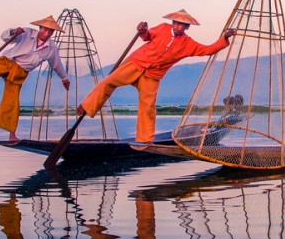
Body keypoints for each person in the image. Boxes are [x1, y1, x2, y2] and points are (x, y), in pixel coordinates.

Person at [77, 9, 236, 143]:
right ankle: (87, 106)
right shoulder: (162, 28)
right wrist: (142, 30)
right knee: (108, 82)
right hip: (136, 62)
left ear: (186, 27)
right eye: (174, 22)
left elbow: (208, 49)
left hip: (153, 75)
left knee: (148, 107)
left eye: (180, 24)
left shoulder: (188, 44)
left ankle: (144, 140)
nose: (176, 26)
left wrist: (225, 38)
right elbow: (146, 36)